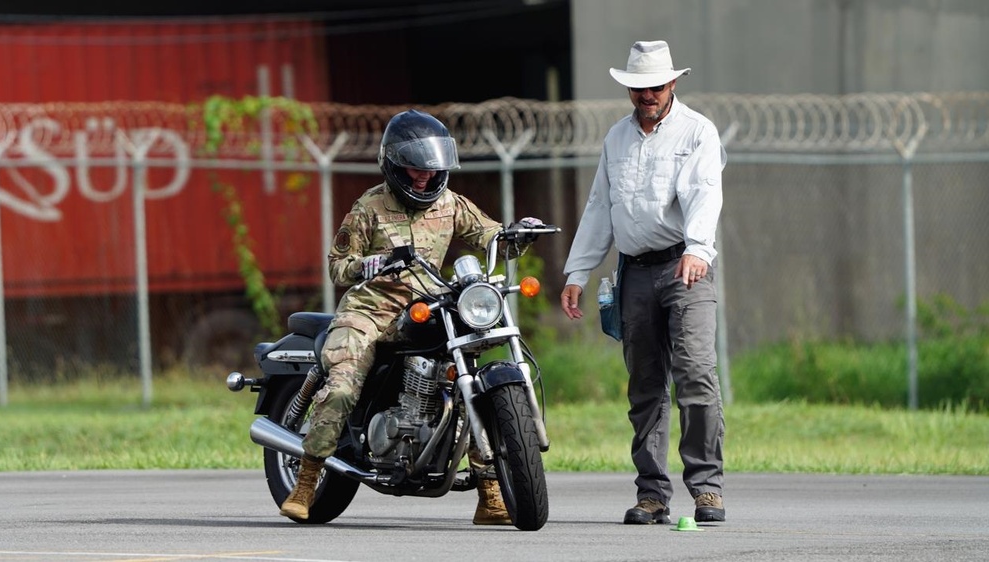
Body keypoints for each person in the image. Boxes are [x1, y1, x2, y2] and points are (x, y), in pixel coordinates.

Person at [279, 109, 543, 526]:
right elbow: (338, 265)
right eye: (414, 169)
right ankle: (306, 481)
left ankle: (491, 493)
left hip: (427, 305)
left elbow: (490, 234)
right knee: (344, 385)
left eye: (431, 169)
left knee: (464, 383)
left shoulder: (450, 203)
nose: (423, 177)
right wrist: (371, 264)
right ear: (393, 164)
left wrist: (517, 233)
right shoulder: (370, 206)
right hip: (370, 309)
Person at [560, 40, 727, 525]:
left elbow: (704, 193)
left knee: (695, 374)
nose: (647, 94)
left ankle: (707, 488)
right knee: (645, 386)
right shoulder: (616, 138)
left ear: (673, 83)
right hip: (633, 271)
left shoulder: (697, 132)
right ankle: (652, 493)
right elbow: (599, 207)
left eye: (655, 85)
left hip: (684, 268)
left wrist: (698, 248)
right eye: (638, 87)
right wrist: (578, 272)